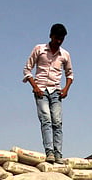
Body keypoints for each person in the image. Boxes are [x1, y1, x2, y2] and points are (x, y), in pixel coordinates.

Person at [22, 23, 73, 163]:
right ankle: (49, 152)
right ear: (51, 36)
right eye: (57, 38)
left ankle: (58, 154)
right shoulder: (39, 50)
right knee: (46, 120)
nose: (58, 41)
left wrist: (65, 89)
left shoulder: (65, 55)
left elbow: (70, 74)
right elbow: (27, 69)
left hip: (56, 91)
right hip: (41, 90)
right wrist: (35, 87)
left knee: (57, 122)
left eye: (61, 39)